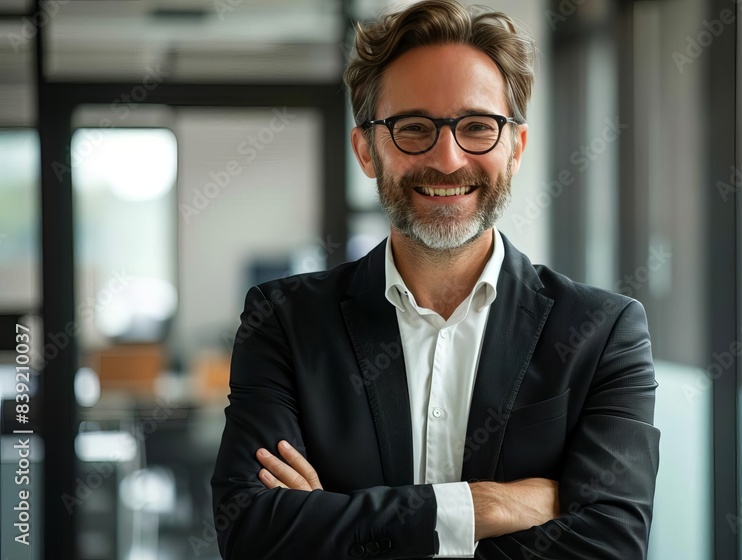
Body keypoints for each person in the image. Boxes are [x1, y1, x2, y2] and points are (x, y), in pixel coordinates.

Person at [210, 1, 660, 557]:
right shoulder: (283, 321)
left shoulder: (603, 332)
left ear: (515, 148)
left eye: (477, 126)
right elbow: (252, 531)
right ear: (367, 150)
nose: (447, 159)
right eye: (413, 128)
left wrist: (343, 524)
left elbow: (610, 545)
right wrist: (488, 507)